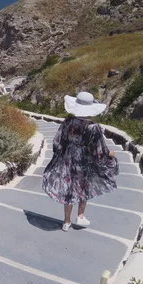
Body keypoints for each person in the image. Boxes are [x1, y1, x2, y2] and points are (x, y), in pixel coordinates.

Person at [42, 91, 119, 231]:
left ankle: (66, 221)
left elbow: (57, 142)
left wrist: (61, 155)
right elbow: (98, 150)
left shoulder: (67, 122)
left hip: (67, 159)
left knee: (68, 188)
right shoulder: (93, 127)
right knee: (83, 186)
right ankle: (81, 216)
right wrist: (110, 155)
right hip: (84, 161)